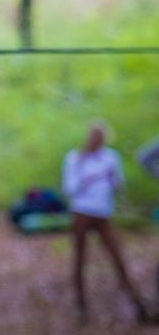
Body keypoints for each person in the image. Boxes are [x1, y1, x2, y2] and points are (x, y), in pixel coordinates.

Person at [63, 121, 149, 323]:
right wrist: (89, 179)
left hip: (103, 213)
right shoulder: (75, 158)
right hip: (81, 212)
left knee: (116, 256)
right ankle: (81, 306)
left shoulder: (110, 157)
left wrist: (111, 178)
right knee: (80, 258)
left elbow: (118, 184)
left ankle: (137, 303)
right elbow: (69, 188)